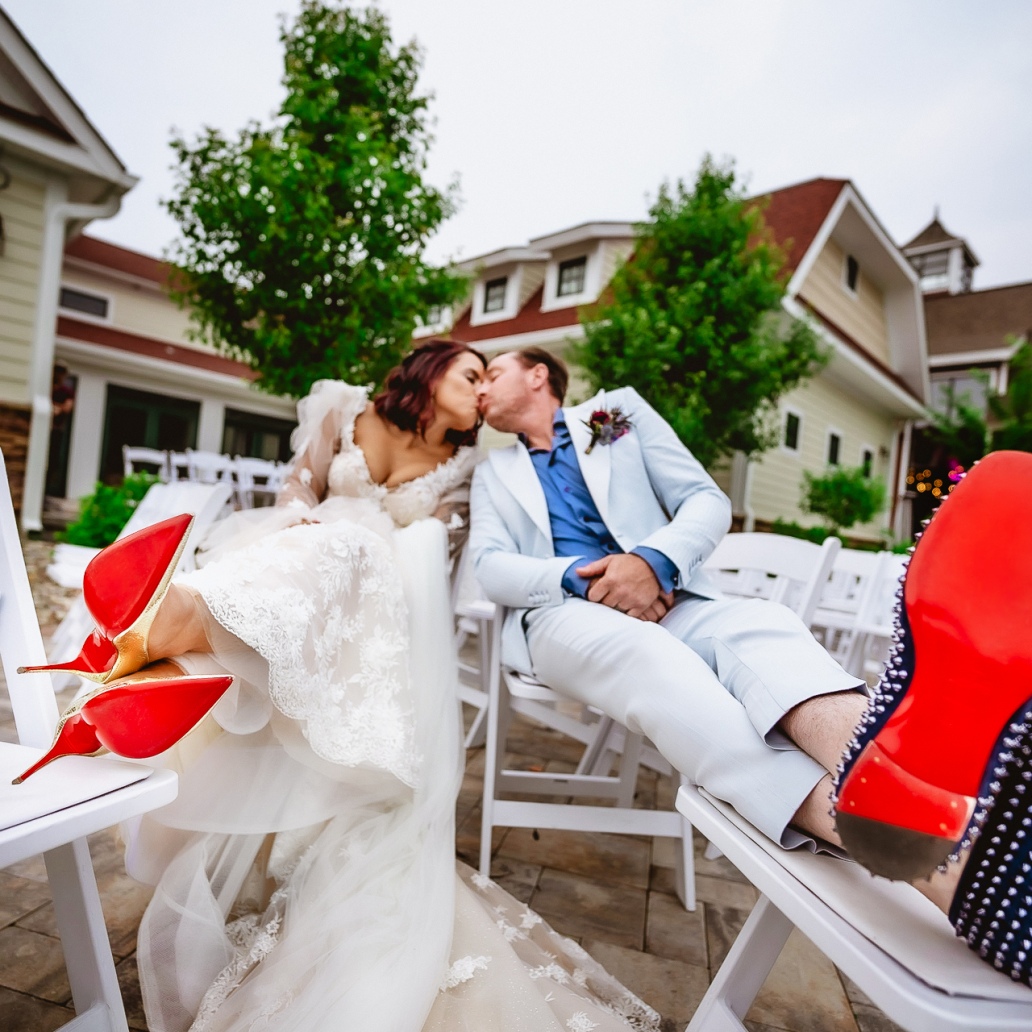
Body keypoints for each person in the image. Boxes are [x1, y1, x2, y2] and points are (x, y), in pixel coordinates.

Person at [19, 340, 661, 1032]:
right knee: (311, 554)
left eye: (487, 384)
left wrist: (380, 530)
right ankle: (168, 648)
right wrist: (305, 516)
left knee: (352, 549)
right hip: (290, 551)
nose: (480, 392)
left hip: (372, 593)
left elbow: (438, 544)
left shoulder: (472, 469)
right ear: (431, 367)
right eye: (471, 373)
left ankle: (163, 638)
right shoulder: (342, 406)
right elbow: (298, 483)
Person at [469, 347, 1032, 978]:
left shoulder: (616, 413)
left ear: (538, 376)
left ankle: (939, 800)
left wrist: (651, 561)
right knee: (654, 662)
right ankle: (951, 869)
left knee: (767, 628)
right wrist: (581, 576)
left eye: (491, 374)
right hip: (564, 615)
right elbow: (489, 566)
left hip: (676, 594)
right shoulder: (495, 473)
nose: (481, 391)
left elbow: (705, 502)